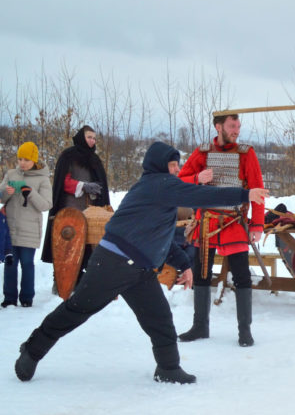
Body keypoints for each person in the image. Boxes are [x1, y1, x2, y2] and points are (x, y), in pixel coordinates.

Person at [14, 142, 269, 384]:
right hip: (113, 263)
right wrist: (245, 193)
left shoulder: (160, 192)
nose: (176, 170)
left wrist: (185, 264)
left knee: (160, 318)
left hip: (140, 269)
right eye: (172, 165)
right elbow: (201, 193)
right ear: (159, 165)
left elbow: (162, 238)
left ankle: (168, 368)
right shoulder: (158, 184)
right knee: (77, 310)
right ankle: (32, 350)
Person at [176, 113, 265, 347]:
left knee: (242, 276)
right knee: (202, 275)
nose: (236, 130)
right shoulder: (203, 152)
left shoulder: (247, 153)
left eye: (238, 126)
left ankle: (245, 330)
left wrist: (257, 223)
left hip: (233, 222)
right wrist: (198, 177)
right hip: (206, 222)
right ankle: (200, 327)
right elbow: (180, 181)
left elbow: (257, 188)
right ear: (219, 127)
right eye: (232, 126)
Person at [41, 125, 111, 289]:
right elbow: (62, 182)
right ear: (81, 137)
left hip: (89, 211)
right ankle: (61, 281)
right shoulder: (68, 156)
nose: (92, 140)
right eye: (89, 137)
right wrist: (83, 186)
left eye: (94, 138)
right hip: (69, 209)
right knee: (67, 246)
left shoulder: (95, 159)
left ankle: (80, 280)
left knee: (86, 247)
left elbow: (101, 185)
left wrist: (97, 192)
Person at [0, 142, 53, 307]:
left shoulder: (43, 179)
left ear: (34, 160)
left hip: (29, 229)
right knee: (10, 264)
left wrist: (31, 193)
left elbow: (46, 205)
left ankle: (27, 298)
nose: (22, 163)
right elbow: (1, 198)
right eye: (20, 159)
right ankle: (9, 298)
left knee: (27, 263)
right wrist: (6, 193)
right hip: (9, 228)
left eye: (26, 160)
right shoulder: (11, 174)